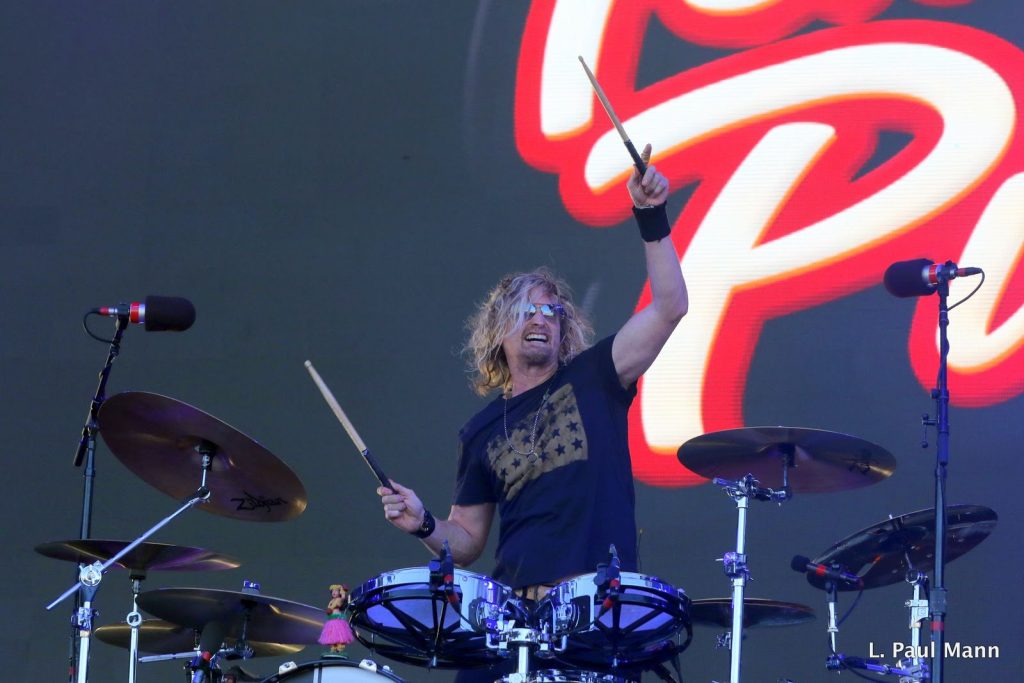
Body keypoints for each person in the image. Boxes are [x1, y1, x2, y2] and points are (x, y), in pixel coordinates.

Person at [376, 144, 687, 675]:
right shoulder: (479, 432)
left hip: (592, 618)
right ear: (498, 332)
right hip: (512, 624)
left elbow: (670, 306)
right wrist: (422, 521)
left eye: (550, 310)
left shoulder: (597, 376)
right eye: (525, 311)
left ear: (564, 329)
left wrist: (650, 215)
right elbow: (466, 541)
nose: (540, 318)